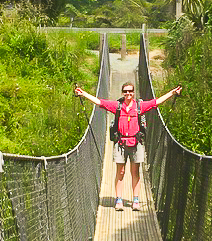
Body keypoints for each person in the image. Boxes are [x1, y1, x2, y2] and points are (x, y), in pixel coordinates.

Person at [74, 81, 182, 211]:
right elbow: (100, 102)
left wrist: (172, 93)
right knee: (120, 172)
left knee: (135, 172)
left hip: (136, 144)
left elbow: (156, 102)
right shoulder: (117, 106)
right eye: (125, 91)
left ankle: (135, 200)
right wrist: (83, 93)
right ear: (122, 93)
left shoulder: (139, 106)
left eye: (130, 91)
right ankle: (118, 200)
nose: (128, 93)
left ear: (133, 92)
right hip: (121, 144)